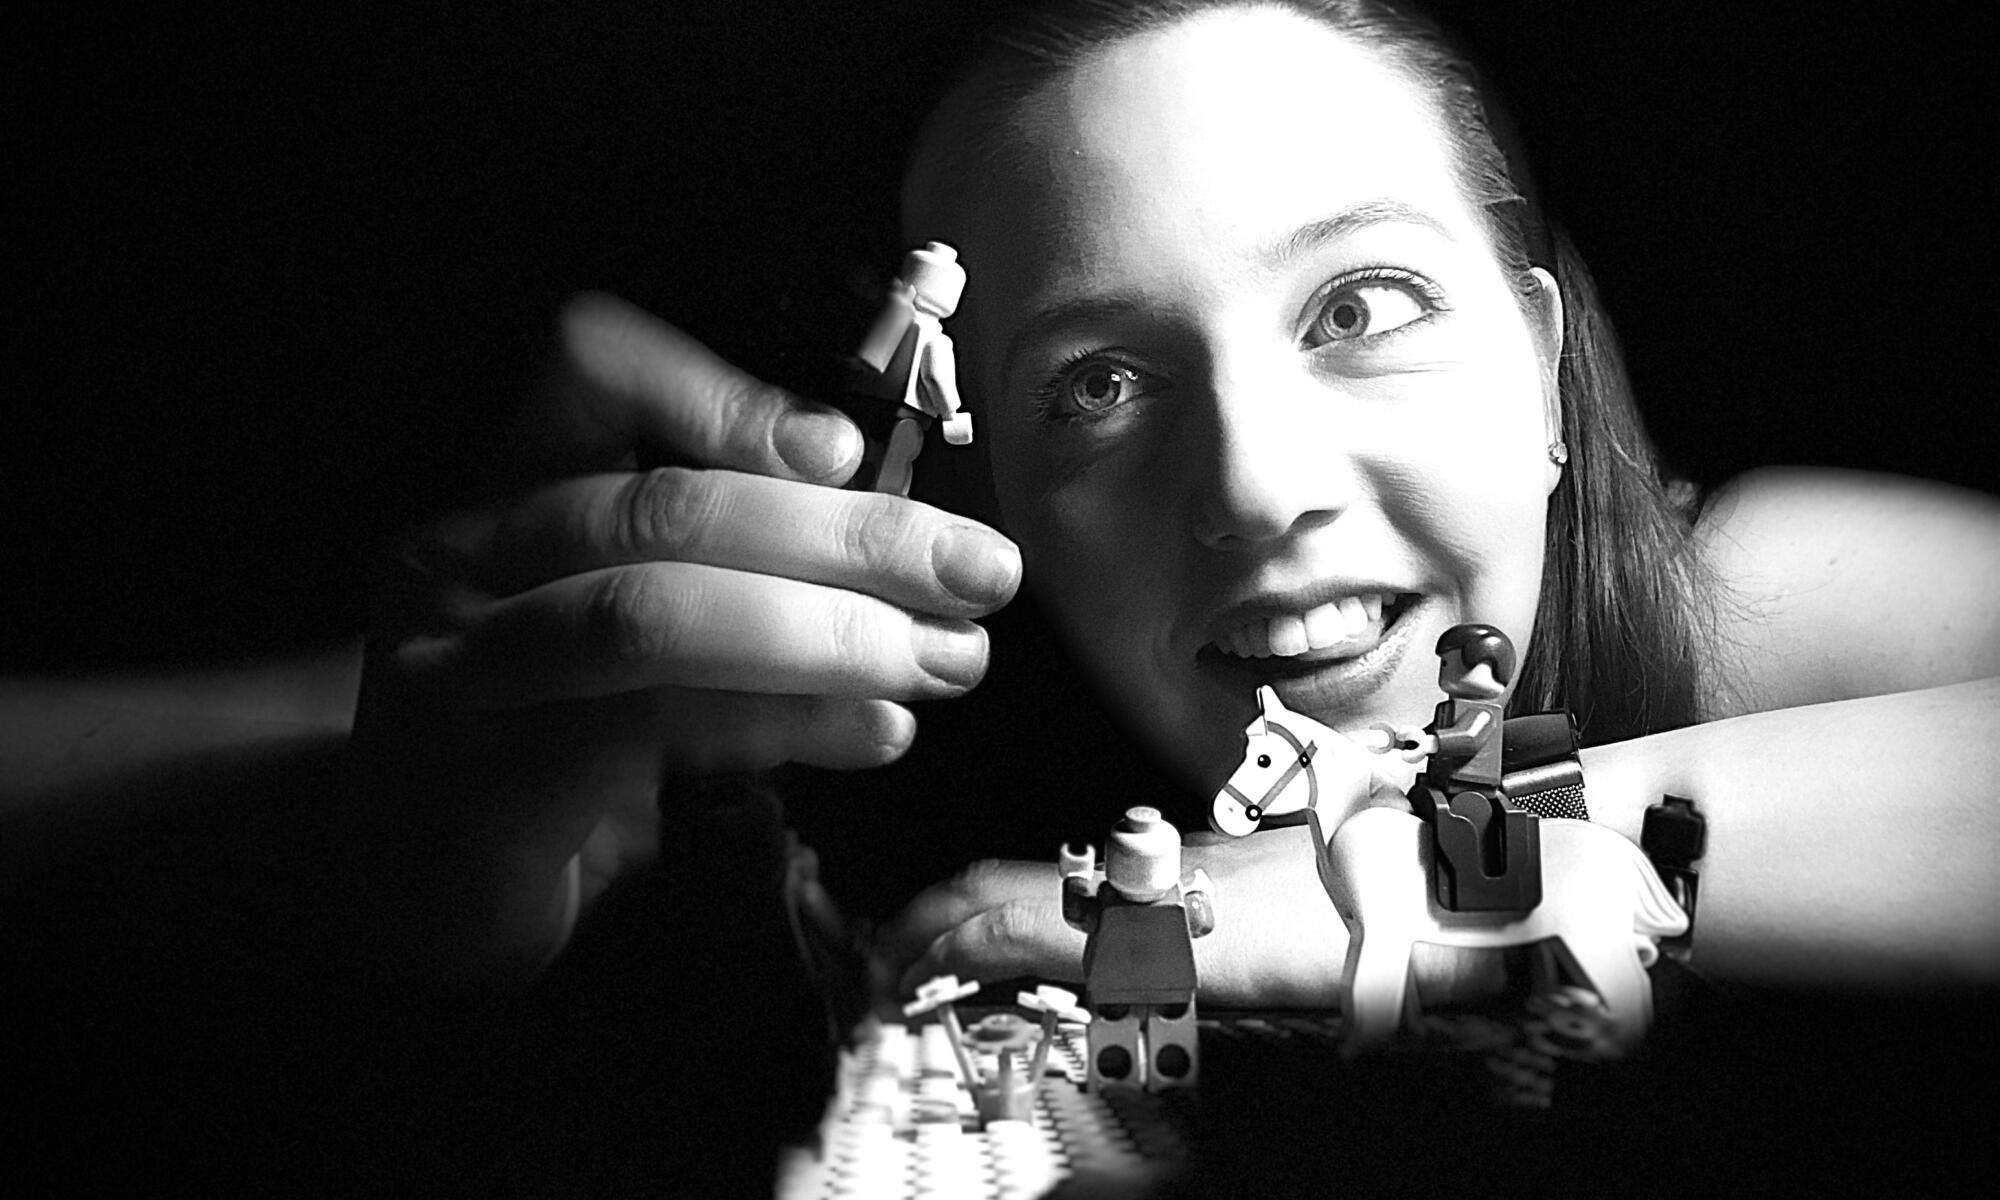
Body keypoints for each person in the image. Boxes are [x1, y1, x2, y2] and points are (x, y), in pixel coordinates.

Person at [6, 0, 1997, 1191]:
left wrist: (1241, 906)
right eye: (1101, 384)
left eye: (1362, 308)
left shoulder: (1751, 597)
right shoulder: (964, 836)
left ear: (1545, 361)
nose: (1255, 487)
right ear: (1000, 484)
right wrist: (380, 826)